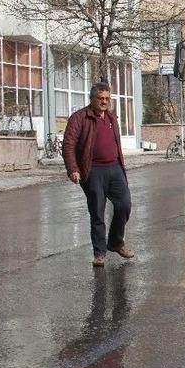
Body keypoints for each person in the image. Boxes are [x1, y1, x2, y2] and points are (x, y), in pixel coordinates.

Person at [62, 82, 134, 267]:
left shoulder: (111, 117)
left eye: (106, 99)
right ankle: (100, 253)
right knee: (97, 212)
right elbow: (68, 145)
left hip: (115, 168)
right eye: (100, 98)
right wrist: (73, 169)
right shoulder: (79, 118)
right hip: (93, 170)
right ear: (92, 99)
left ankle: (116, 242)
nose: (104, 102)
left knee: (124, 205)